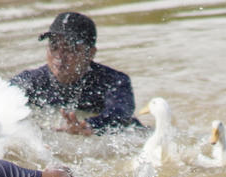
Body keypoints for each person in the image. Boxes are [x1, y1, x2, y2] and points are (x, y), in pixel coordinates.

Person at [9, 11, 142, 135]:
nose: (59, 55)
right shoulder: (32, 82)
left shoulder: (113, 82)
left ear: (90, 54)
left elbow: (121, 113)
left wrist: (89, 126)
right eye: (54, 46)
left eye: (70, 48)